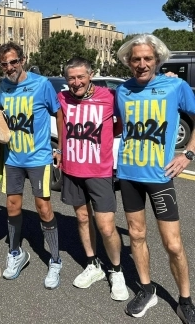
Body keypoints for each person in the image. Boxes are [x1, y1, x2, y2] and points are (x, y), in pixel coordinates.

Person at [115, 34, 195, 321]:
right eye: (135, 59)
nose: (141, 63)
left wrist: (187, 154)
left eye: (147, 58)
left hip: (160, 176)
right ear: (128, 61)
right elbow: (119, 126)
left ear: (158, 60)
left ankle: (185, 299)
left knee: (172, 243)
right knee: (136, 235)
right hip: (128, 175)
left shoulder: (175, 85)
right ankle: (146, 290)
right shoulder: (122, 91)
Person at [0, 42, 63, 290]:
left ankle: (55, 260)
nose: (10, 67)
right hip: (12, 158)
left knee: (43, 208)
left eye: (13, 62)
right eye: (4, 64)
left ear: (22, 60)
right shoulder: (3, 87)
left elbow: (59, 113)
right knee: (12, 206)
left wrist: (60, 149)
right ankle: (16, 253)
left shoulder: (41, 84)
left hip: (39, 158)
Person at [57, 57, 128, 301]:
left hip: (99, 171)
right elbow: (61, 123)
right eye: (71, 78)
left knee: (107, 226)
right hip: (72, 169)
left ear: (91, 75)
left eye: (81, 77)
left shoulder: (110, 96)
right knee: (82, 218)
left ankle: (117, 270)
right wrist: (59, 152)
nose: (76, 82)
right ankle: (93, 264)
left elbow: (119, 124)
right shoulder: (62, 97)